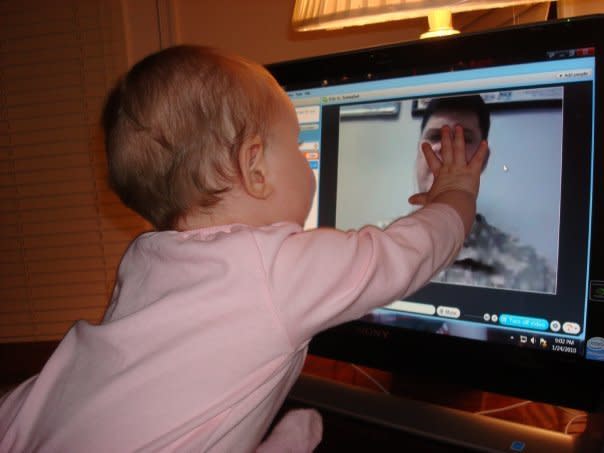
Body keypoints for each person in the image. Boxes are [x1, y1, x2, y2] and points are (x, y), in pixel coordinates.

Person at [0, 45, 486, 452]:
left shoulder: (146, 256)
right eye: (297, 146)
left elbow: (188, 403)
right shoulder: (274, 268)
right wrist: (454, 198)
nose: (305, 160)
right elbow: (400, 255)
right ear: (255, 169)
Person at [415, 95, 556, 293]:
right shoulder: (374, 249)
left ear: (483, 160)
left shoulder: (532, 272)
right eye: (435, 136)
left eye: (464, 139)